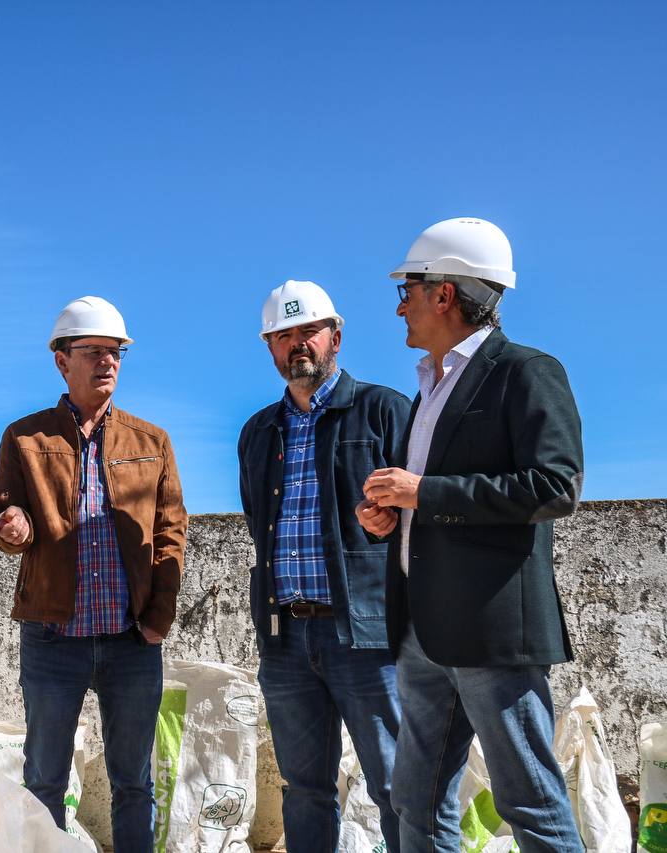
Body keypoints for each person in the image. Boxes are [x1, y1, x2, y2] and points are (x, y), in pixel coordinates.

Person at [357, 217, 584, 851]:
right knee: (416, 803)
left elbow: (554, 486)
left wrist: (422, 494)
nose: (400, 305)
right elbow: (429, 504)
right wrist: (390, 514)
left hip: (490, 634)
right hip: (424, 630)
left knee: (529, 802)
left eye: (408, 289)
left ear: (445, 294)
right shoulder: (429, 385)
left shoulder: (526, 372)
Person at [0, 295, 187, 852]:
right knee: (44, 780)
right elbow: (10, 513)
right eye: (93, 351)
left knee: (134, 782)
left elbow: (171, 531)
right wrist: (14, 527)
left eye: (116, 352)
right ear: (61, 361)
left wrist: (157, 621)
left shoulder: (152, 442)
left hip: (131, 640)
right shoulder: (25, 438)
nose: (108, 362)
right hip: (54, 639)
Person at [238, 280, 408, 852]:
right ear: (269, 347)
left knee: (396, 786)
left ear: (335, 336)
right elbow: (257, 520)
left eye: (307, 331)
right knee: (304, 788)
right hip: (286, 639)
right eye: (282, 336)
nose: (297, 345)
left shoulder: (383, 410)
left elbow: (423, 510)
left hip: (366, 635)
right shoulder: (259, 431)